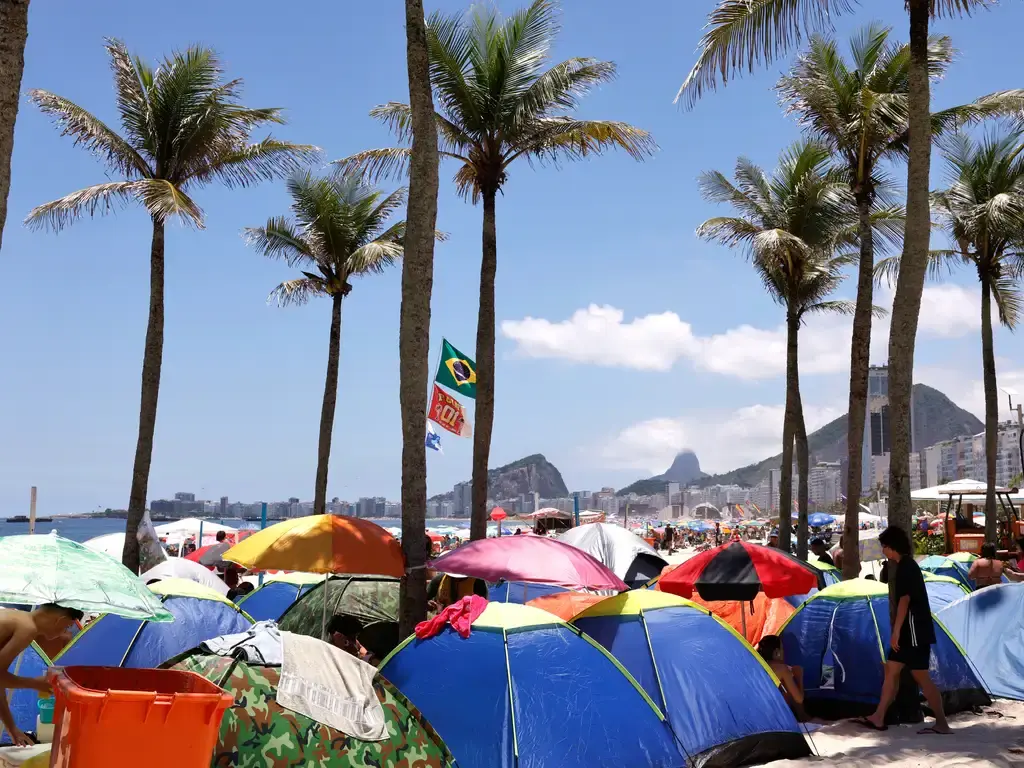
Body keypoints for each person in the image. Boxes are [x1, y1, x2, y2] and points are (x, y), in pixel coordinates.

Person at [860, 526, 950, 734]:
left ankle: (942, 723)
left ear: (891, 547)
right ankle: (879, 716)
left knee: (921, 677)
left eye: (884, 547)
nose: (883, 551)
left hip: (913, 633)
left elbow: (904, 601)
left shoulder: (906, 568)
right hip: (913, 632)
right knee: (891, 670)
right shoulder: (906, 566)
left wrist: (896, 632)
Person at [0, 604, 84, 745]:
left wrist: (11, 728)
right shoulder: (27, 628)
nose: (64, 632)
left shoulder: (16, 618)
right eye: (67, 627)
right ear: (60, 619)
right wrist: (34, 683)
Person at [757, 635, 808, 722]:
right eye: (782, 649)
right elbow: (799, 699)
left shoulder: (757, 666)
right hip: (777, 719)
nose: (784, 652)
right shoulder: (782, 669)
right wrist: (799, 676)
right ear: (777, 652)